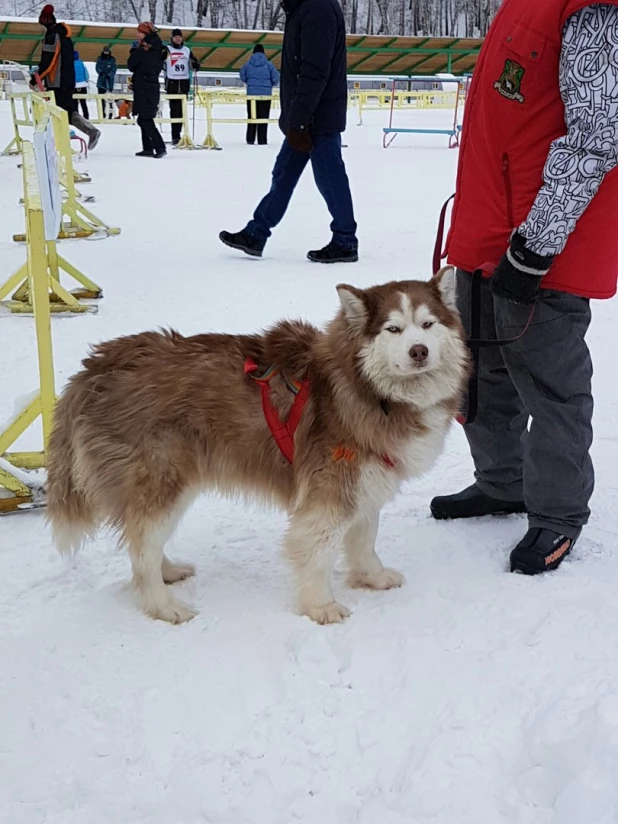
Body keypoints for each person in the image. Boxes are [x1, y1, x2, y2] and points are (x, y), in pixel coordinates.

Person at [432, 0, 618, 575]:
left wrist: (534, 245)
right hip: (484, 236)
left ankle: (558, 517)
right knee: (482, 381)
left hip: (540, 249)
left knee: (552, 388)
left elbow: (597, 135)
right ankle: (502, 482)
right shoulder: (522, 5)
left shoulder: (589, 11)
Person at [219, 0, 357, 263]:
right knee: (283, 175)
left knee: (330, 178)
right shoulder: (302, 9)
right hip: (304, 115)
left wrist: (301, 118)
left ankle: (345, 240)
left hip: (318, 116)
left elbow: (315, 71)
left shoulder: (318, 8)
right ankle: (256, 233)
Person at [31, 4, 100, 149]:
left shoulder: (52, 36)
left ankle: (59, 144)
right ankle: (90, 131)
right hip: (68, 79)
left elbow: (49, 60)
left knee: (57, 111)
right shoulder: (64, 37)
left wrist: (37, 77)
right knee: (66, 110)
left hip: (57, 80)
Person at [128, 23, 167, 158]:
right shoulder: (157, 47)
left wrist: (134, 52)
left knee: (145, 119)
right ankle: (148, 148)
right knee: (143, 118)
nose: (137, 35)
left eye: (139, 32)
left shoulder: (145, 48)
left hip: (146, 87)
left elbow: (132, 65)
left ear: (146, 33)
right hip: (147, 86)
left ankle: (160, 147)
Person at [164, 28, 199, 146]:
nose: (178, 39)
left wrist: (195, 65)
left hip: (183, 83)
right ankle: (175, 136)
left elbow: (194, 62)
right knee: (174, 111)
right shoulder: (167, 49)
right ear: (172, 38)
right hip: (172, 83)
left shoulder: (187, 50)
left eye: (179, 37)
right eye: (175, 37)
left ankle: (183, 134)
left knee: (183, 111)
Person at [239, 44, 279, 146]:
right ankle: (262, 140)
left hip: (251, 95)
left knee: (252, 117)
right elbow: (276, 78)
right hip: (265, 95)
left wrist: (250, 83)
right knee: (263, 118)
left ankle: (250, 139)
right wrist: (269, 85)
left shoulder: (247, 65)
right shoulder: (269, 65)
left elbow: (242, 76)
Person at [96, 45, 116, 119]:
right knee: (101, 99)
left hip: (109, 83)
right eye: (105, 51)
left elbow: (114, 69)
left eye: (107, 52)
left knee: (110, 100)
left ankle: (110, 114)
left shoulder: (112, 60)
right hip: (101, 83)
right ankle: (102, 114)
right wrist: (101, 73)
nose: (106, 53)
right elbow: (97, 67)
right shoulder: (99, 59)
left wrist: (109, 75)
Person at [73, 50, 89, 118]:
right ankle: (86, 116)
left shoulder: (70, 64)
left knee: (74, 103)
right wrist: (85, 81)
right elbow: (87, 74)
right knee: (83, 103)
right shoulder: (82, 63)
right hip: (83, 85)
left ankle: (77, 117)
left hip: (74, 85)